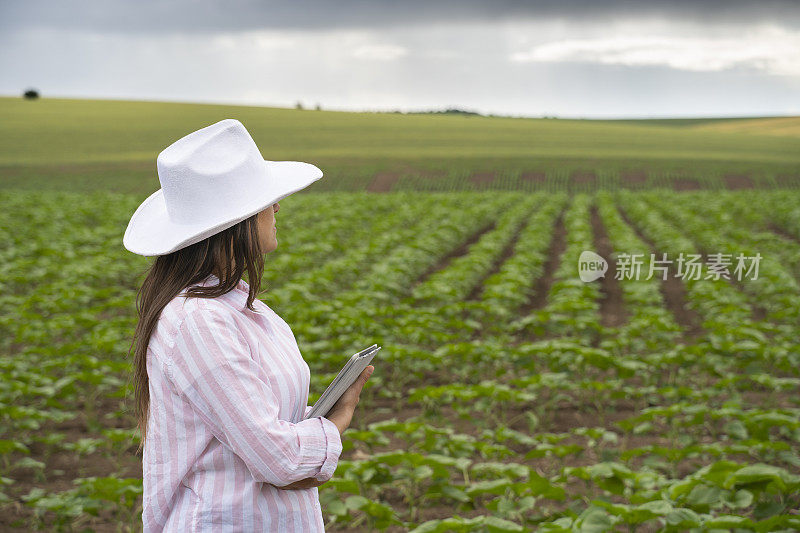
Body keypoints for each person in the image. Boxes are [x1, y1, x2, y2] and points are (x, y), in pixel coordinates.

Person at [123, 119, 373, 531]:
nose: (276, 207)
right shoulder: (198, 322)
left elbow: (257, 422)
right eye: (265, 200)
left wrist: (311, 418)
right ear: (234, 223)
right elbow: (282, 461)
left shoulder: (237, 306)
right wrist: (337, 417)